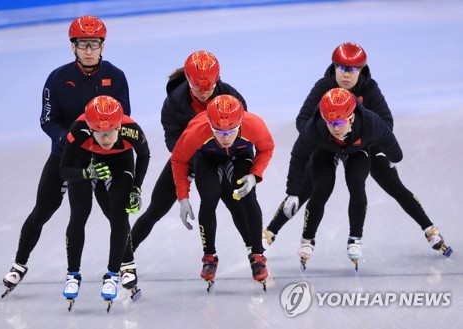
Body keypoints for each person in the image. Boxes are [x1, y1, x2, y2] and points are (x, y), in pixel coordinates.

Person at [263, 42, 452, 258]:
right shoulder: (323, 87)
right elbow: (302, 120)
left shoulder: (369, 88)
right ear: (334, 67)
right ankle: (269, 232)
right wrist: (325, 135)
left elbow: (386, 123)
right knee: (309, 187)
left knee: (392, 183)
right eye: (341, 68)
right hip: (328, 141)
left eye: (352, 69)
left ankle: (430, 229)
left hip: (363, 142)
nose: (346, 74)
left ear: (361, 70)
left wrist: (362, 139)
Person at [2, 15, 132, 297]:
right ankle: (19, 263)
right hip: (68, 157)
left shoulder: (116, 76)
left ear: (102, 46)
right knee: (43, 211)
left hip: (106, 156)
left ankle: (127, 265)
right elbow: (47, 120)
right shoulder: (58, 78)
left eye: (94, 44)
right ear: (72, 46)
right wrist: (68, 138)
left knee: (116, 213)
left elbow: (124, 116)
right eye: (83, 44)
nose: (88, 50)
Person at [127, 50, 252, 260]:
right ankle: (124, 255)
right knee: (156, 208)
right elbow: (172, 141)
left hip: (221, 158)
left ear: (217, 80)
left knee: (235, 204)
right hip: (188, 159)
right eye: (197, 88)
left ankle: (255, 253)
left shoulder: (232, 97)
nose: (203, 93)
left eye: (209, 88)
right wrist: (197, 160)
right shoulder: (173, 104)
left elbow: (243, 131)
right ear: (187, 80)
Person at [285, 88, 403, 269]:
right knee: (321, 188)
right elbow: (298, 156)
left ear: (352, 117)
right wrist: (293, 192)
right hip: (326, 150)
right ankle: (307, 238)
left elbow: (388, 138)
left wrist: (395, 157)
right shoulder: (315, 126)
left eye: (340, 122)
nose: (336, 128)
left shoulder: (370, 122)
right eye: (330, 122)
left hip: (357, 151)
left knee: (356, 183)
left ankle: (355, 237)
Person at [171, 94, 274, 290]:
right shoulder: (196, 130)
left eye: (231, 131)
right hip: (207, 159)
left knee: (248, 196)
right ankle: (209, 255)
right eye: (218, 132)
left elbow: (267, 148)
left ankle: (257, 255)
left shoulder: (254, 124)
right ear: (209, 124)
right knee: (209, 197)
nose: (225, 137)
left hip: (240, 156)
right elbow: (178, 160)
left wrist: (254, 175)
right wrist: (183, 198)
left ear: (240, 124)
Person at [59, 95, 149, 307]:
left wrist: (136, 189)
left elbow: (144, 155)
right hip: (86, 160)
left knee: (119, 214)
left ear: (119, 126)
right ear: (90, 129)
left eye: (110, 132)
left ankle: (112, 275)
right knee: (79, 214)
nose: (106, 138)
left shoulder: (131, 129)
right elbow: (63, 170)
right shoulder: (79, 128)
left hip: (121, 161)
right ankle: (72, 274)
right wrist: (86, 172)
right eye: (99, 133)